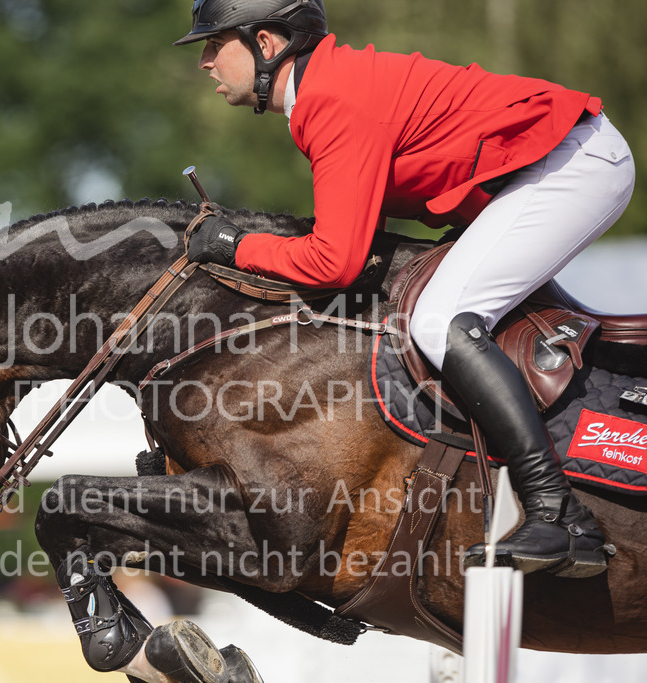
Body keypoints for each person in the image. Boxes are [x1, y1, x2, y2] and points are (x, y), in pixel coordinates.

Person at [177, 0, 634, 578]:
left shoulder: (330, 99)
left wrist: (233, 247)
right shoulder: (322, 91)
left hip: (571, 164)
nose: (207, 62)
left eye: (215, 45)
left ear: (266, 45)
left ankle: (559, 513)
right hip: (551, 164)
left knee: (441, 319)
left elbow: (333, 263)